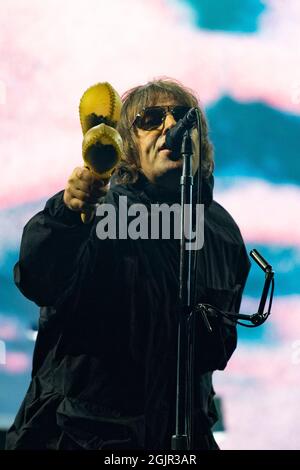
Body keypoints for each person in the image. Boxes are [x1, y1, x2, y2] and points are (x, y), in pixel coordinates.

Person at [6, 79, 250, 450]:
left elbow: (216, 349)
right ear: (127, 146)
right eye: (151, 118)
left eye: (185, 117)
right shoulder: (99, 209)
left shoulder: (221, 232)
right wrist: (68, 213)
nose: (172, 126)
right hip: (85, 437)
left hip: (181, 439)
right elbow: (40, 278)